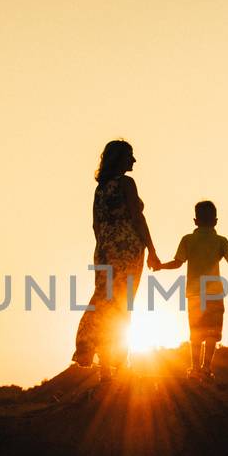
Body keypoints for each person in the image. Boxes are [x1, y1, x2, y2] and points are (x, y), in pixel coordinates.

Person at [72, 139, 162, 381]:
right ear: (120, 159)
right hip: (127, 248)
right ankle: (117, 365)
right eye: (130, 155)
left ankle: (103, 366)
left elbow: (95, 224)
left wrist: (105, 244)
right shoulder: (126, 183)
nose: (134, 160)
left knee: (104, 299)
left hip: (104, 247)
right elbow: (137, 218)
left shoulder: (101, 189)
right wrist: (152, 250)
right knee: (121, 303)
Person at [153, 200, 228, 380]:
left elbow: (177, 263)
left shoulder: (187, 239)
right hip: (215, 293)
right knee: (212, 332)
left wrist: (160, 266)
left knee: (196, 332)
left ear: (195, 220)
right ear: (216, 221)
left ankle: (195, 369)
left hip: (194, 295)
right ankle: (206, 368)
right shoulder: (220, 241)